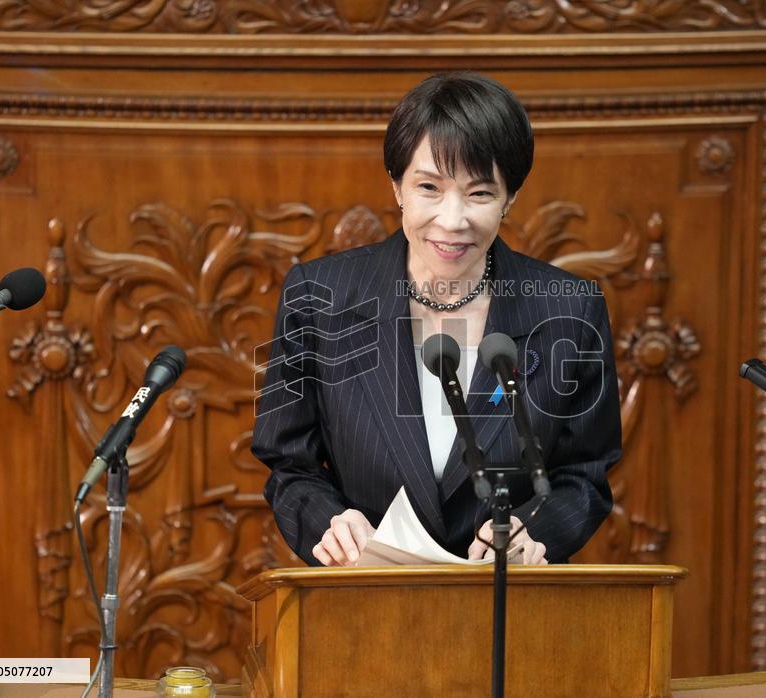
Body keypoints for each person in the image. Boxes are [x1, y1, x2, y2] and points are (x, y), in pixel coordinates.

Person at [253, 72, 621, 567]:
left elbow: (584, 474)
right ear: (397, 186)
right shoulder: (318, 298)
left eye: (480, 194)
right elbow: (288, 464)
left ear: (510, 198)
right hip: (363, 601)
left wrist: (535, 534)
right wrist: (329, 520)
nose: (452, 220)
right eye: (429, 187)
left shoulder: (569, 309)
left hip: (508, 607)